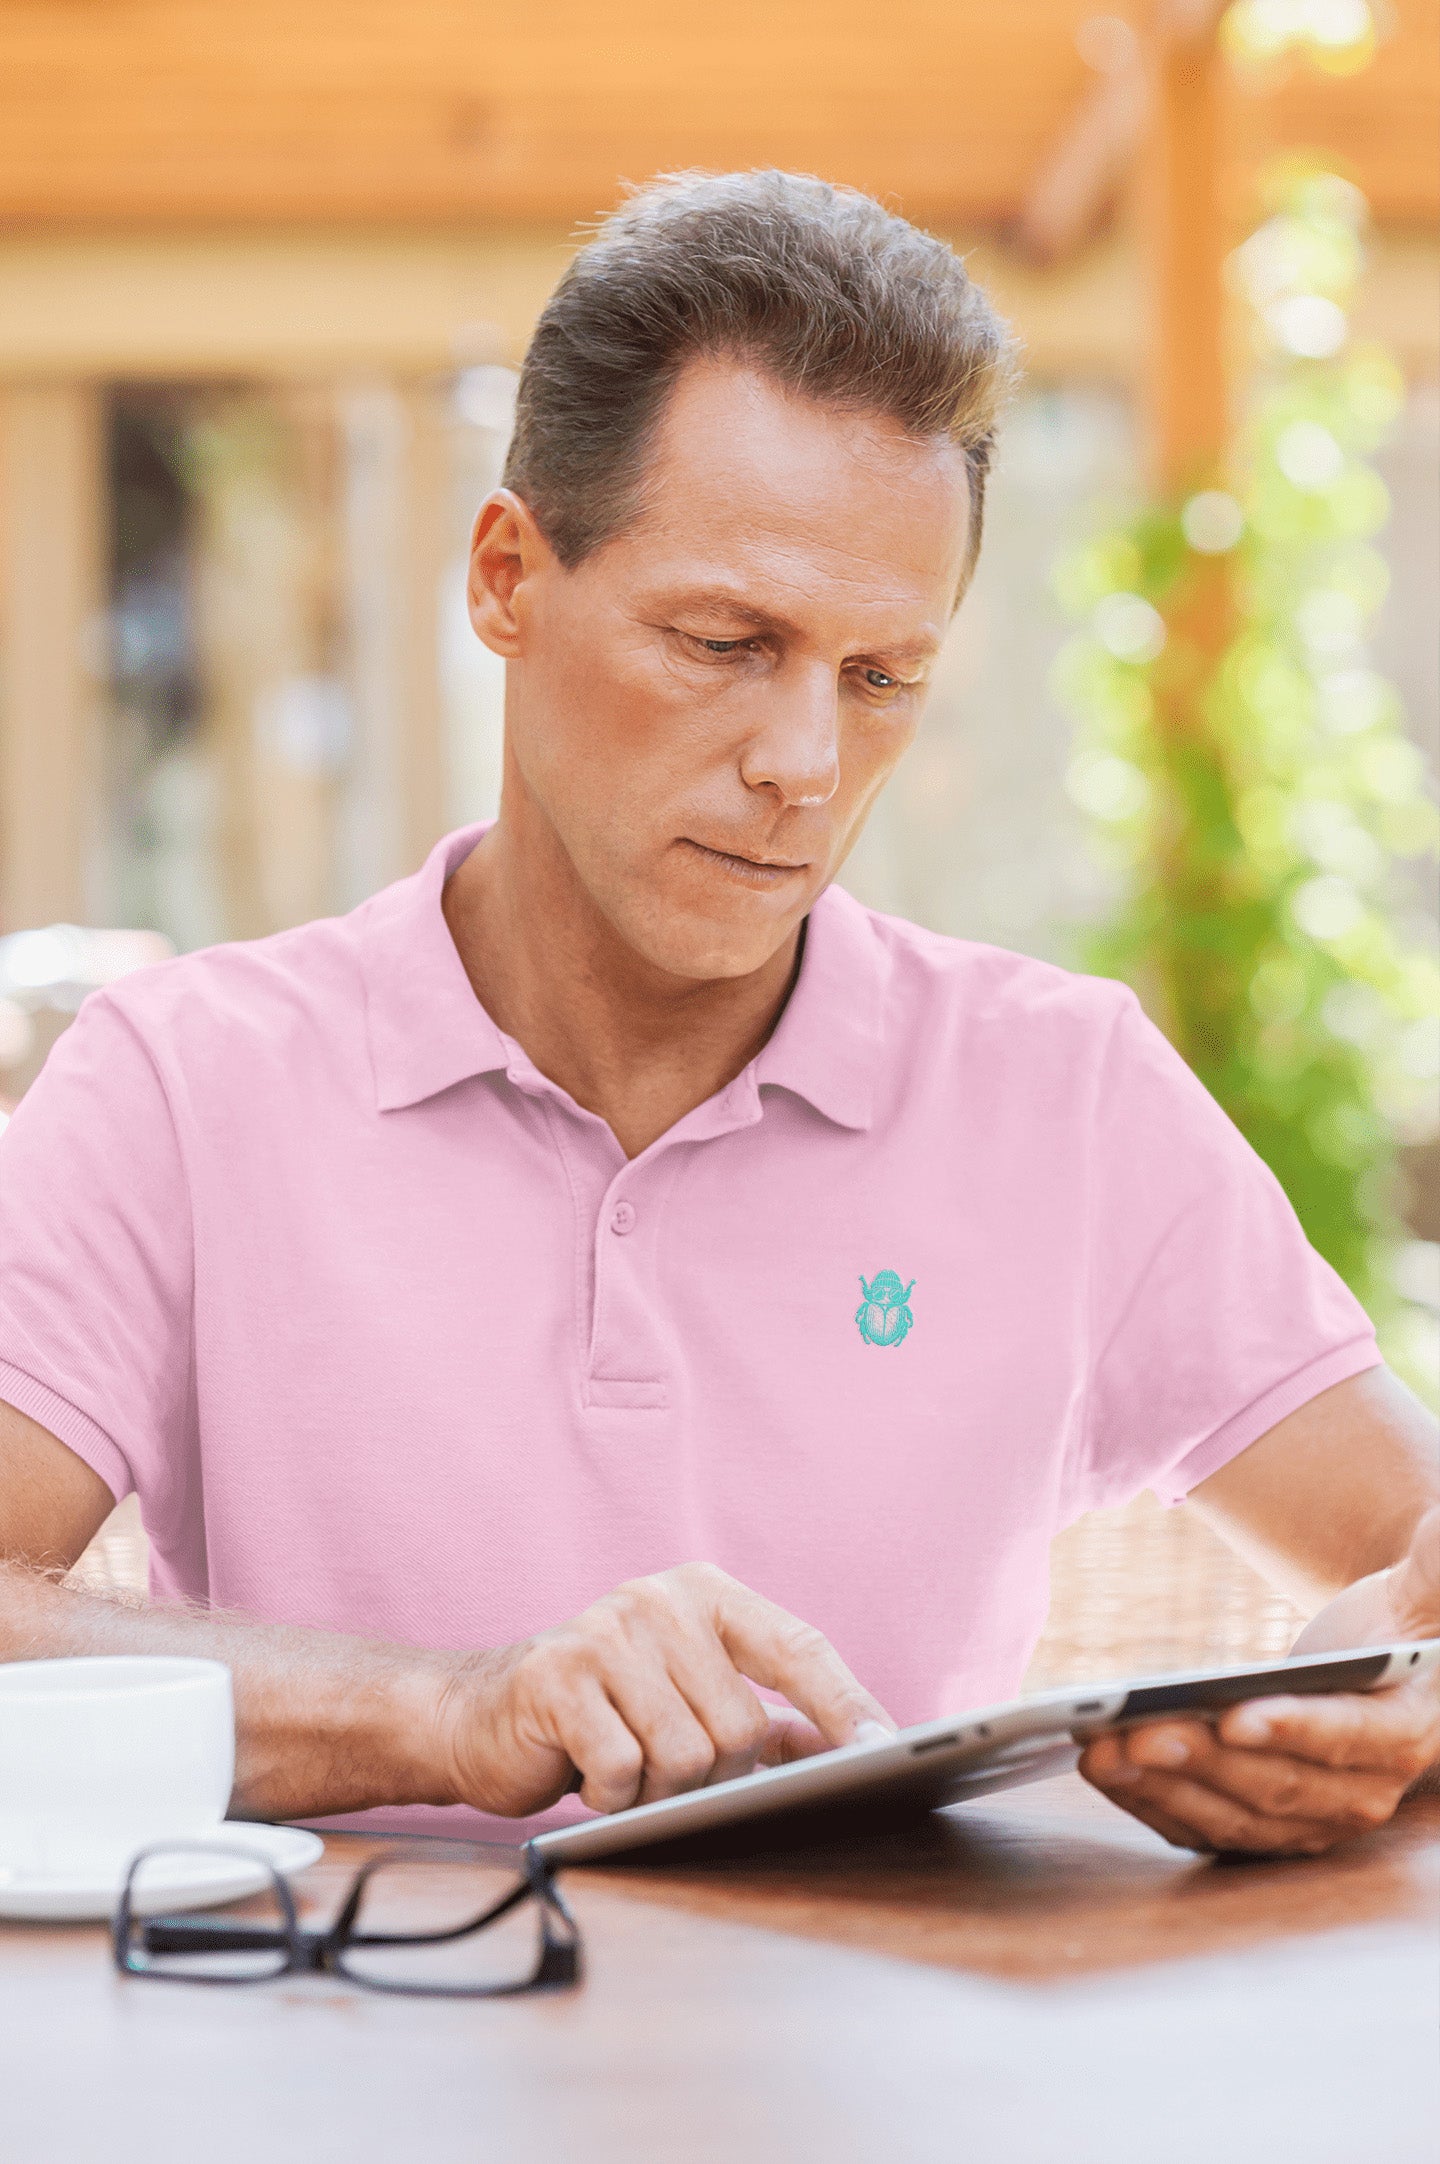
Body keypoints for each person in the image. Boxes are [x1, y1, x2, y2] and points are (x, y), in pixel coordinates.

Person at [1, 170, 1436, 1859]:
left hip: (896, 2028)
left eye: (880, 676)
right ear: (506, 578)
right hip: (353, 2020)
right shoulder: (181, 1086)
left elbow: (1417, 1556)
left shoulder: (1066, 1095)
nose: (805, 765)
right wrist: (454, 1713)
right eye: (725, 641)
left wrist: (1387, 1700)